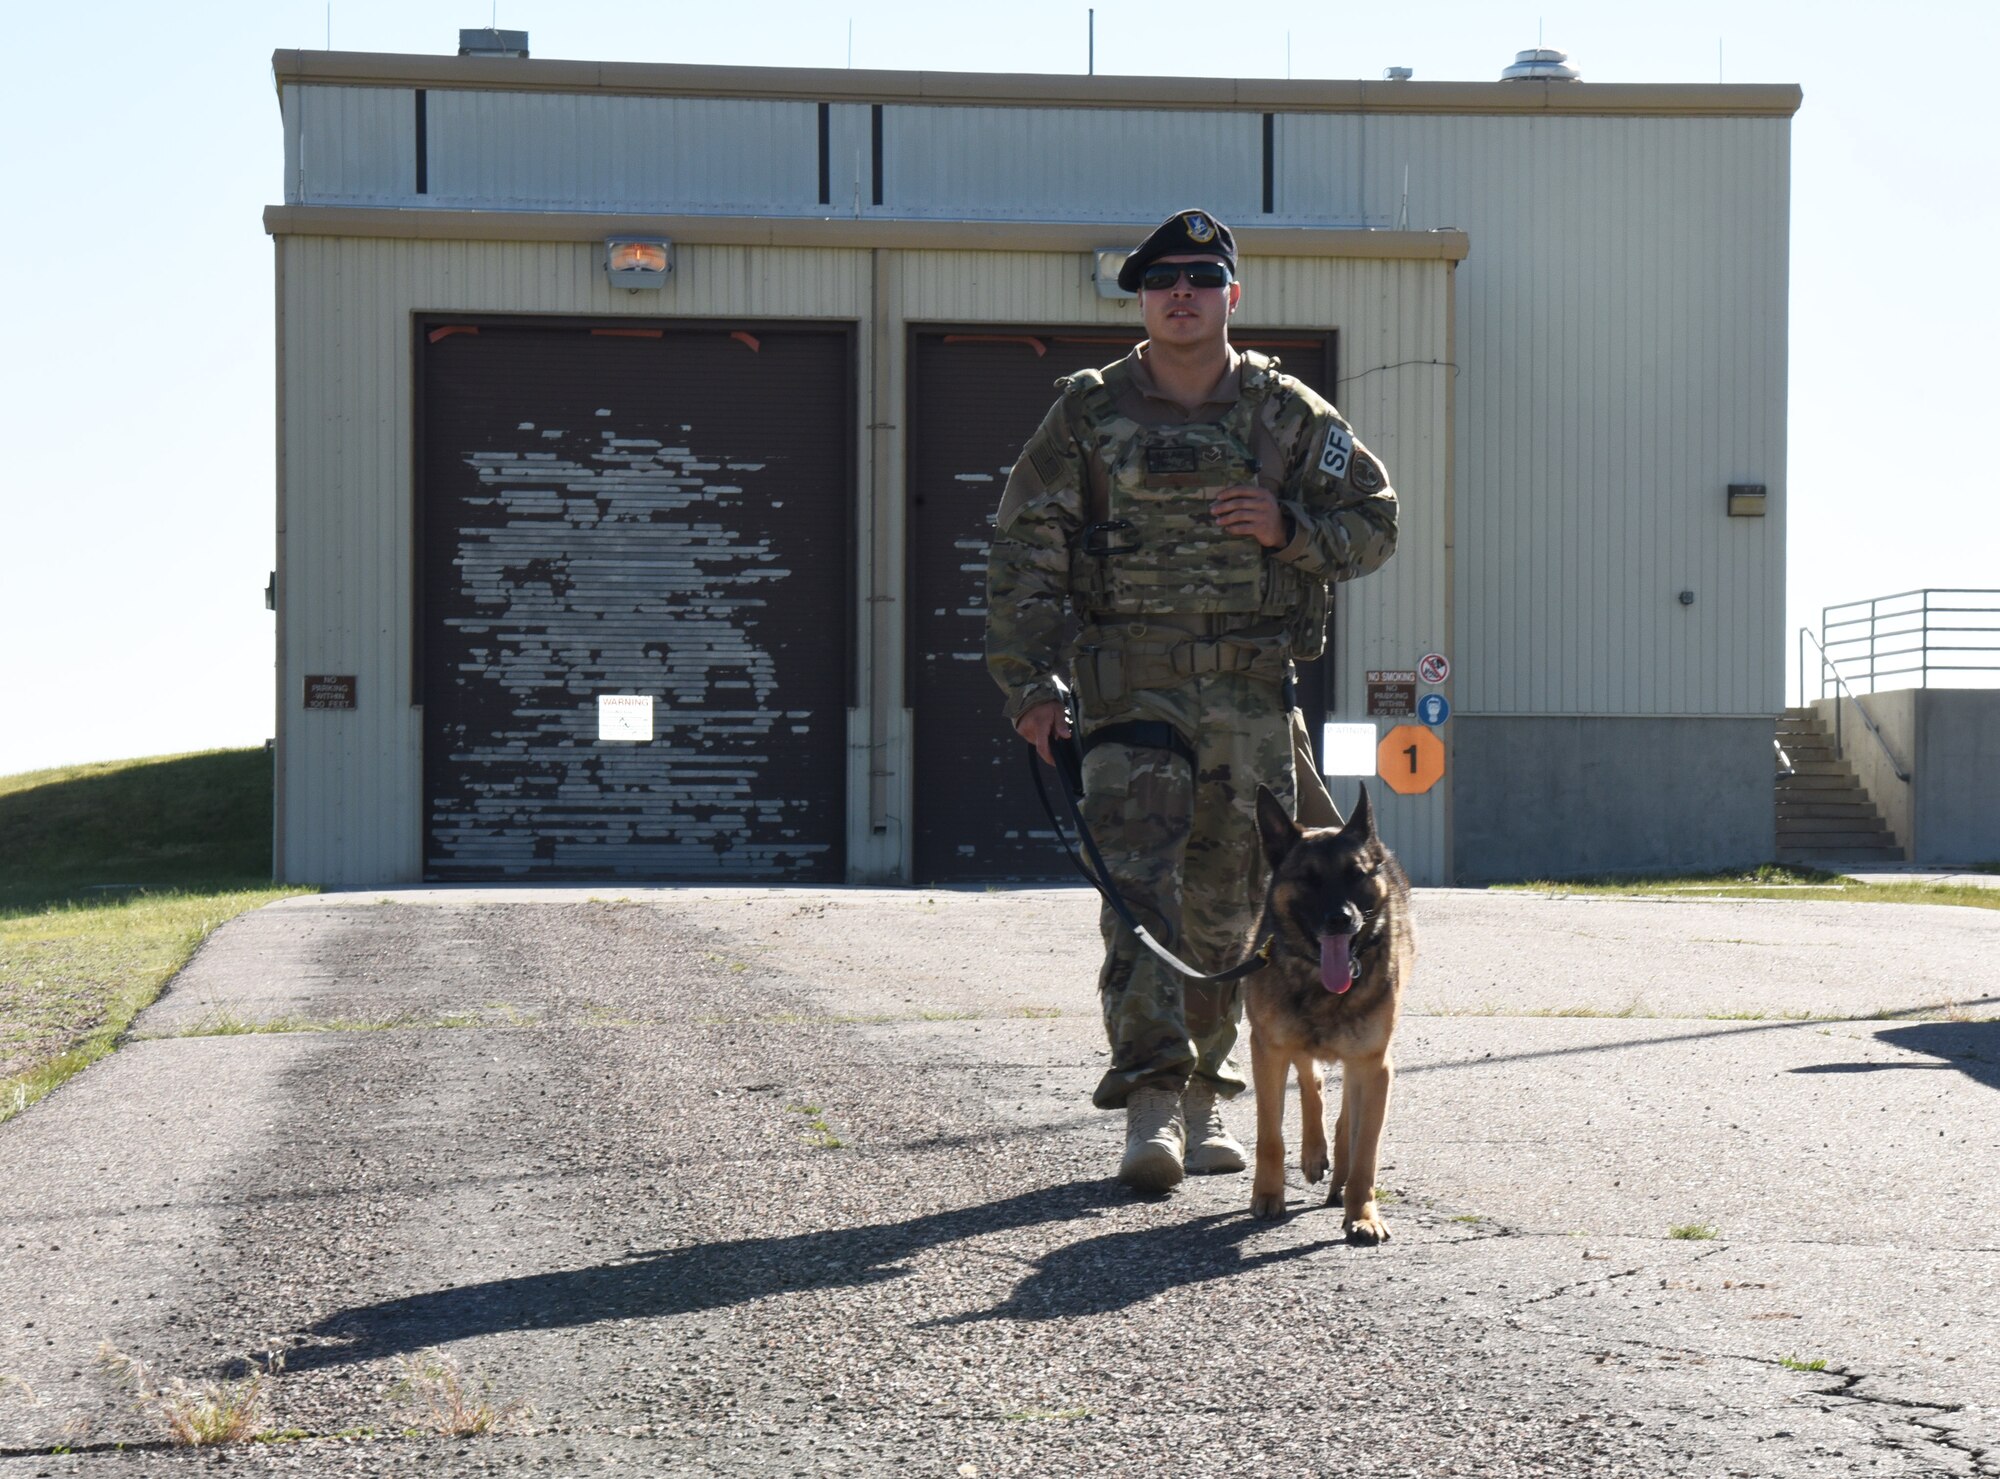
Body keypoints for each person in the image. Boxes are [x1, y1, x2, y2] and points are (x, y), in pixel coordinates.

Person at [983, 207, 1400, 1191]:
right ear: (1140, 296)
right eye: (1162, 278)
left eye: (1199, 279)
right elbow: (1022, 554)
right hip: (1129, 684)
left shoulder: (1283, 414)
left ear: (1229, 297)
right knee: (1138, 893)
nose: (1180, 293)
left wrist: (1289, 527)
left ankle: (1214, 1094)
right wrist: (1028, 686)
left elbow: (1375, 523)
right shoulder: (1085, 416)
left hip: (1250, 696)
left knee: (1231, 902)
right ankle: (1150, 1106)